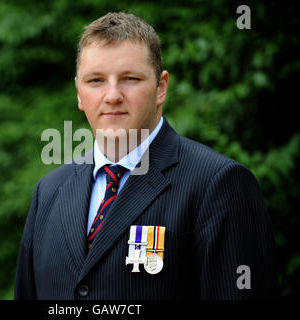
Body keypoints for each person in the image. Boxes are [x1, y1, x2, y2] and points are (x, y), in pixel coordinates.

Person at [14, 12, 278, 299]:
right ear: (79, 92)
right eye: (96, 81)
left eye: (130, 78)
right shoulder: (49, 192)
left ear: (161, 87)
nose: (112, 95)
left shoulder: (219, 184)